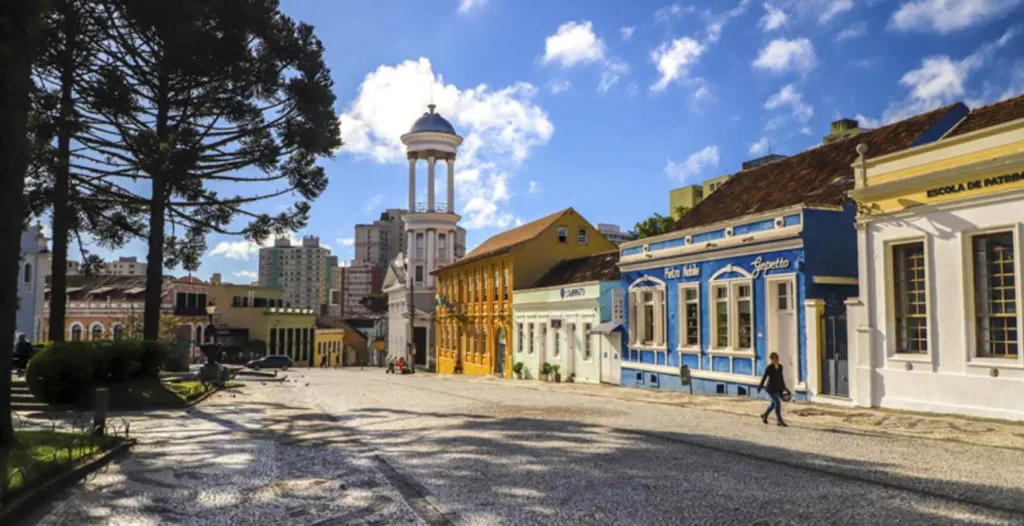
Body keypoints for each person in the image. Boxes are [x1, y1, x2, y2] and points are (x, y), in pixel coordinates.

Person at [757, 352, 789, 426]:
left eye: (777, 357)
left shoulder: (781, 367)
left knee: (773, 404)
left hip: (777, 388)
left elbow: (781, 378)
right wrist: (760, 387)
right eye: (775, 358)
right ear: (771, 359)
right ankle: (779, 420)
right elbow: (764, 377)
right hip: (770, 389)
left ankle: (765, 415)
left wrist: (784, 388)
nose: (777, 359)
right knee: (777, 403)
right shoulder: (769, 368)